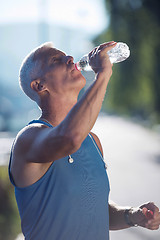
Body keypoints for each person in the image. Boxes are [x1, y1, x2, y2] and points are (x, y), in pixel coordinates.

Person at [9, 41, 160, 240]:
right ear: (39, 85)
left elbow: (96, 208)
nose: (70, 59)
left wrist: (132, 215)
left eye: (66, 55)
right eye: (56, 60)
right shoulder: (28, 139)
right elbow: (69, 138)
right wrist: (103, 75)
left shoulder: (93, 141)